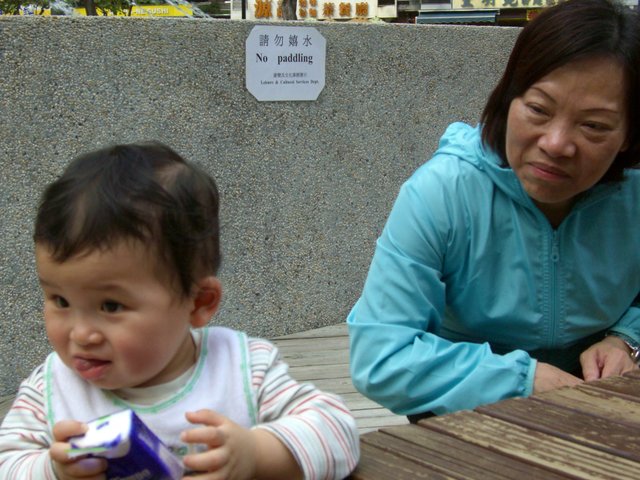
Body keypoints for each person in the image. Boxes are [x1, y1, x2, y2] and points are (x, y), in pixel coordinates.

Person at [348, 0, 640, 421]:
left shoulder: (633, 195)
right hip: (465, 407)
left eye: (593, 125)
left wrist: (625, 338)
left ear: (629, 134)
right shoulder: (441, 193)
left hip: (598, 401)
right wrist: (522, 380)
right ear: (508, 99)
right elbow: (381, 357)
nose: (556, 144)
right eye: (538, 109)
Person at [0, 142, 360, 479]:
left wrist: (255, 454)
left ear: (199, 302)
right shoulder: (51, 389)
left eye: (110, 305)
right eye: (60, 301)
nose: (81, 334)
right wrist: (53, 470)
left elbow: (337, 431)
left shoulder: (243, 370)